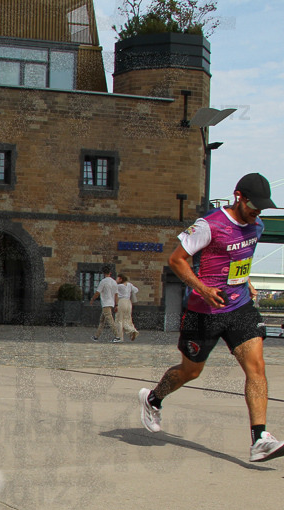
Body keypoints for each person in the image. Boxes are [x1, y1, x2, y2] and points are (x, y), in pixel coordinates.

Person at [139, 172, 284, 463]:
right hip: (203, 312)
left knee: (256, 367)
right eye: (254, 205)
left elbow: (238, 262)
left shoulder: (257, 227)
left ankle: (260, 439)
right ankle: (153, 399)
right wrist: (202, 289)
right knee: (191, 371)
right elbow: (176, 260)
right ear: (238, 196)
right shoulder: (210, 225)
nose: (257, 212)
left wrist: (247, 282)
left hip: (239, 308)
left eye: (262, 208)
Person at [90, 266, 119, 342]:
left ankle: (117, 336)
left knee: (110, 320)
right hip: (111, 303)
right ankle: (96, 336)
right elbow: (116, 295)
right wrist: (116, 304)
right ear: (110, 273)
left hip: (106, 303)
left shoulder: (103, 281)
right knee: (102, 320)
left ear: (103, 273)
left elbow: (97, 292)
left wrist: (92, 299)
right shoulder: (114, 282)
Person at [116, 274, 139, 342]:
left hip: (121, 302)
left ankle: (120, 337)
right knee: (127, 319)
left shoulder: (119, 286)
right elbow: (136, 290)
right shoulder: (130, 285)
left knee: (119, 320)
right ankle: (132, 330)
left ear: (120, 279)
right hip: (128, 302)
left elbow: (113, 292)